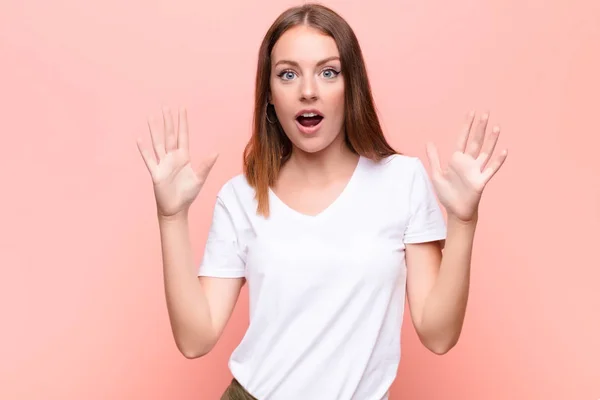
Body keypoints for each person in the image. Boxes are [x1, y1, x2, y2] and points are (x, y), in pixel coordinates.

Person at [136, 3, 508, 399]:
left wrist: (463, 222)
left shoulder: (402, 181)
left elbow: (439, 335)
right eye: (288, 74)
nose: (308, 90)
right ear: (270, 97)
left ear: (352, 88)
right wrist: (171, 216)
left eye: (328, 72)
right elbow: (195, 339)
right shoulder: (240, 197)